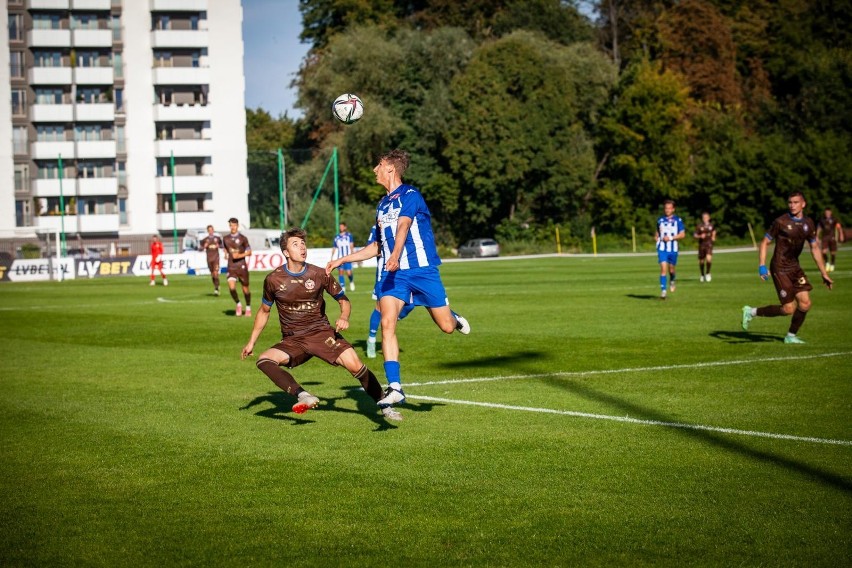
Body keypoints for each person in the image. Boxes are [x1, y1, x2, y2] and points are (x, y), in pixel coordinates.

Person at [326, 149, 470, 408]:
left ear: (391, 169)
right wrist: (342, 260)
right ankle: (395, 387)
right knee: (387, 322)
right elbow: (375, 247)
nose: (374, 170)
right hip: (395, 276)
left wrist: (395, 254)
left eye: (378, 165)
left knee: (446, 326)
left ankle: (452, 316)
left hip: (422, 270)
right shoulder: (381, 205)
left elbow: (403, 225)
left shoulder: (411, 195)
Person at [241, 227, 402, 421]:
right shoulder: (273, 280)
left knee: (356, 366)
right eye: (295, 244)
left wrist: (344, 316)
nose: (302, 247)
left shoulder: (319, 274)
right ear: (285, 252)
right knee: (264, 360)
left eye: (303, 243)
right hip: (293, 340)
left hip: (321, 333)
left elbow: (344, 300)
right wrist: (251, 342)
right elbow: (264, 311)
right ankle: (304, 396)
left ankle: (385, 405)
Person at [742, 191, 833, 344]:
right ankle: (751, 312)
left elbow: (815, 248)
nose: (792, 205)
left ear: (803, 204)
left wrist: (824, 273)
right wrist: (762, 265)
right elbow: (764, 242)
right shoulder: (781, 222)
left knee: (805, 303)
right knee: (789, 309)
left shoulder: (808, 223)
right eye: (790, 202)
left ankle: (790, 336)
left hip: (794, 267)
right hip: (779, 267)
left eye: (796, 202)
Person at [364, 224, 416, 359]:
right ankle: (371, 340)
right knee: (380, 307)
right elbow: (373, 246)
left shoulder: (404, 222)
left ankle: (389, 321)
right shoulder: (378, 226)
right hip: (385, 271)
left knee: (411, 303)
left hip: (405, 270)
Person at [655, 199, 685, 299]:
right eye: (666, 208)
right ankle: (663, 291)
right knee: (663, 269)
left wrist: (671, 238)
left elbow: (682, 234)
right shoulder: (660, 220)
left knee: (671, 270)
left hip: (673, 249)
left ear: (673, 209)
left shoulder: (678, 220)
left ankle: (672, 280)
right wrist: (656, 238)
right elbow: (657, 233)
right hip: (662, 249)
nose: (667, 210)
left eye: (669, 208)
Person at [222, 217, 252, 317]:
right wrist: (226, 253)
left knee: (245, 289)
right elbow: (226, 249)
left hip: (242, 266)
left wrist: (239, 255)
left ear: (237, 226)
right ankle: (238, 304)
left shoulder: (243, 238)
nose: (233, 227)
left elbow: (249, 252)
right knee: (231, 287)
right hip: (231, 266)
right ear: (229, 226)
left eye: (234, 225)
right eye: (231, 225)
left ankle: (248, 307)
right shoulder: (225, 238)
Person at [816, 207, 844, 273]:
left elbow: (839, 228)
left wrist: (841, 235)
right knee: (823, 252)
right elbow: (819, 228)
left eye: (828, 212)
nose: (827, 214)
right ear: (825, 213)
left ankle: (832, 264)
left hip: (832, 237)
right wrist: (817, 236)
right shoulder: (822, 220)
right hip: (824, 237)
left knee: (833, 253)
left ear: (830, 213)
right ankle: (827, 263)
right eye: (826, 213)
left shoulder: (834, 219)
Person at [199, 224, 223, 295]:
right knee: (212, 275)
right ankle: (216, 286)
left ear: (213, 230)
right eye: (209, 230)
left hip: (216, 258)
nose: (211, 231)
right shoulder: (205, 239)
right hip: (209, 259)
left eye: (211, 230)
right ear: (208, 231)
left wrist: (219, 246)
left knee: (216, 273)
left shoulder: (217, 238)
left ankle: (217, 288)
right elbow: (199, 248)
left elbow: (222, 246)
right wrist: (204, 246)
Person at [331, 222, 356, 291]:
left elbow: (351, 246)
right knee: (341, 272)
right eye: (340, 226)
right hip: (340, 258)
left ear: (345, 227)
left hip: (348, 258)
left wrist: (353, 256)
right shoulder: (337, 237)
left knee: (349, 273)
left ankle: (351, 281)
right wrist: (331, 257)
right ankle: (343, 286)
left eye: (342, 226)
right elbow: (334, 247)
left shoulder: (349, 236)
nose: (341, 228)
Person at [693, 211, 717, 282]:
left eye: (706, 217)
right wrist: (700, 236)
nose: (705, 219)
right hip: (701, 245)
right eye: (704, 218)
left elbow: (714, 231)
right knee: (701, 262)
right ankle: (702, 274)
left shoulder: (711, 226)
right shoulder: (699, 226)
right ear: (702, 218)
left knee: (709, 259)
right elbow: (694, 235)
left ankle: (708, 273)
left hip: (709, 244)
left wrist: (713, 236)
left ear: (709, 218)